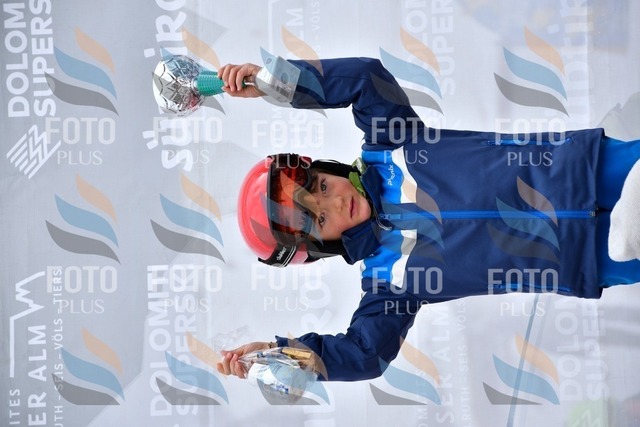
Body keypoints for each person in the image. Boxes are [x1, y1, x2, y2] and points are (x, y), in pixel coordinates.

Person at [215, 57, 640, 382]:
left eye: (323, 187)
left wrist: (278, 82)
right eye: (320, 219)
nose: (337, 202)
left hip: (589, 167)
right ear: (321, 247)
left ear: (325, 168)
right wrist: (280, 355)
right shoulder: (389, 283)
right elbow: (364, 354)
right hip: (588, 257)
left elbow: (364, 78)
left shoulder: (391, 142)